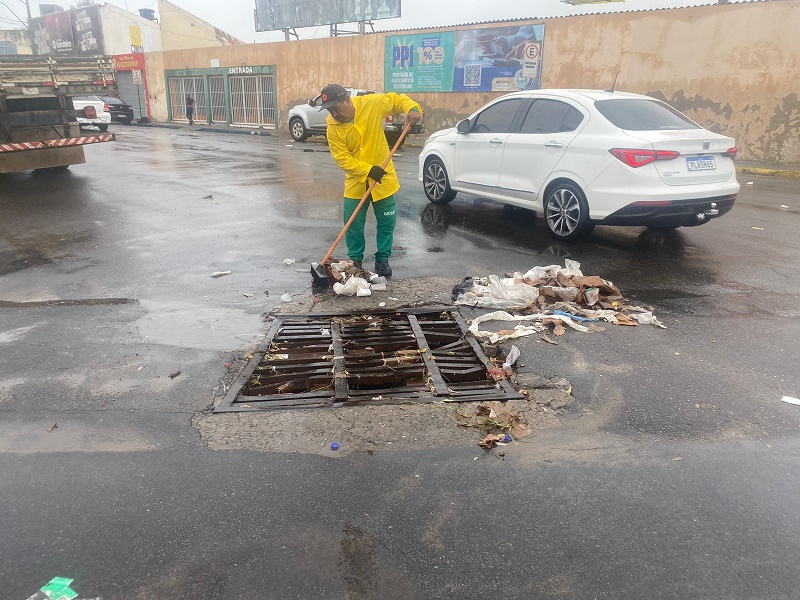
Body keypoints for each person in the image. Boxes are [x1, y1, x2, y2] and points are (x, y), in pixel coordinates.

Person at [320, 83, 422, 278]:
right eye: (329, 109)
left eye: (336, 107)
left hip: (383, 178)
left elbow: (396, 100)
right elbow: (343, 159)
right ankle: (355, 261)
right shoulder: (332, 127)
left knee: (386, 222)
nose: (333, 113)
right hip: (356, 181)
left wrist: (413, 108)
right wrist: (367, 171)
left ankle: (382, 259)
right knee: (353, 223)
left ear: (347, 100)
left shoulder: (370, 104)